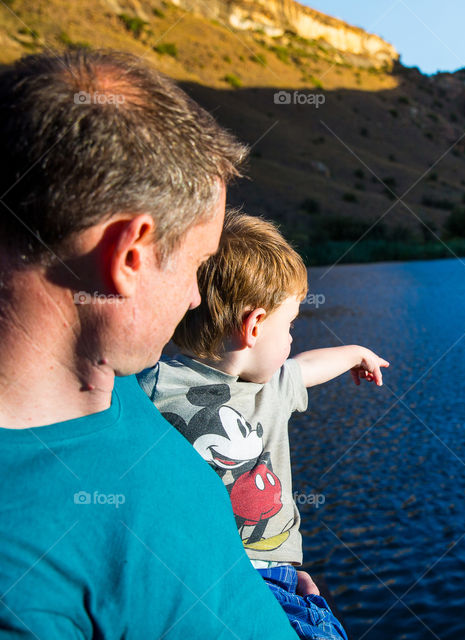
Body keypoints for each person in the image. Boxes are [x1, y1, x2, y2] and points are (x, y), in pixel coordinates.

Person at [0, 49, 297, 638]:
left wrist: (256, 586)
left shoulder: (113, 381)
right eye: (197, 264)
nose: (194, 298)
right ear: (128, 257)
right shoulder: (23, 577)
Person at [137, 212, 389, 640]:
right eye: (289, 326)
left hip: (190, 584)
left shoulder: (151, 385)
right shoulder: (256, 389)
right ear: (254, 326)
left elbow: (305, 368)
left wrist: (354, 352)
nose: (292, 340)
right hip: (260, 581)